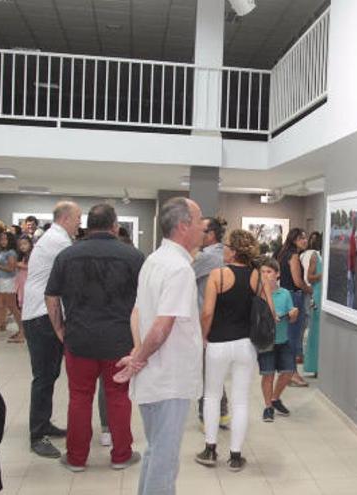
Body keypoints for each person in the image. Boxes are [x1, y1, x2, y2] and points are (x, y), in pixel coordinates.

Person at [113, 197, 204, 495]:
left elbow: (137, 313)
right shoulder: (179, 269)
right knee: (164, 460)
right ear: (183, 227)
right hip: (169, 378)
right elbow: (162, 327)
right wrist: (139, 357)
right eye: (199, 221)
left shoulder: (153, 260)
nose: (204, 228)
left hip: (153, 373)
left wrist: (138, 357)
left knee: (154, 452)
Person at [45, 204, 144, 472]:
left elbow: (51, 297)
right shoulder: (134, 257)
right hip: (119, 340)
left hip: (79, 339)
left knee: (79, 397)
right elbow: (145, 301)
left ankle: (77, 458)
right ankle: (121, 455)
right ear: (114, 226)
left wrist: (60, 331)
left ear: (87, 226)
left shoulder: (67, 256)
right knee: (119, 397)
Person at [194, 228, 270, 471]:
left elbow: (207, 313)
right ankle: (236, 456)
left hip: (218, 343)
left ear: (234, 250)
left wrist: (203, 336)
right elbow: (270, 312)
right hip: (246, 345)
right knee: (240, 401)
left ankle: (210, 449)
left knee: (212, 396)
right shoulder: (258, 276)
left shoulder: (218, 275)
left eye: (226, 245)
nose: (223, 248)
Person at [22, 201, 82, 458]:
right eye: (78, 218)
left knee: (49, 375)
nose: (80, 223)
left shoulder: (54, 238)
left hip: (42, 314)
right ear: (66, 218)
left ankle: (43, 423)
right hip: (42, 316)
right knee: (44, 377)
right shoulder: (59, 242)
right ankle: (38, 435)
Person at [191, 217, 230, 428]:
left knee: (207, 370)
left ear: (211, 234)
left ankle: (212, 414)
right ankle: (217, 412)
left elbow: (183, 272)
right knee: (211, 369)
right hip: (220, 320)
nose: (197, 233)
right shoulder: (224, 253)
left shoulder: (207, 257)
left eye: (201, 230)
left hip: (207, 320)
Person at [257, 258, 297, 422]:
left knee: (288, 372)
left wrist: (293, 314)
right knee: (268, 375)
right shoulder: (258, 294)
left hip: (283, 340)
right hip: (266, 342)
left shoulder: (285, 294)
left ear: (277, 274)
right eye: (263, 272)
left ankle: (275, 398)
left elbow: (292, 317)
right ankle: (268, 407)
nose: (266, 275)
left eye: (269, 272)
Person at [276, 228, 311, 387]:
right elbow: (297, 281)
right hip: (294, 297)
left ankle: (287, 372)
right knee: (294, 337)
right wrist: (309, 290)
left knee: (288, 336)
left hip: (285, 296)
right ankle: (292, 373)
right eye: (301, 238)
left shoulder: (283, 253)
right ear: (294, 240)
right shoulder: (294, 255)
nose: (305, 240)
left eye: (305, 238)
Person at [0, 232, 25, 340]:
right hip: (0, 280)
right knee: (0, 306)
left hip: (8, 280)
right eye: (2, 239)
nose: (3, 241)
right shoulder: (4, 251)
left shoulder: (11, 253)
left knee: (12, 306)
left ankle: (21, 328)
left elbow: (11, 268)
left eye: (5, 239)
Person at [301, 232, 323, 376]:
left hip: (320, 295)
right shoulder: (315, 255)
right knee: (314, 329)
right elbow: (309, 276)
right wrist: (323, 275)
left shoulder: (317, 255)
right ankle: (313, 366)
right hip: (317, 293)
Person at [346, 212, 357, 308]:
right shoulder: (352, 239)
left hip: (352, 267)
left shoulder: (353, 240)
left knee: (352, 287)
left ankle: (350, 305)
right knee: (351, 288)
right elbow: (352, 255)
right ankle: (349, 306)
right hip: (351, 267)